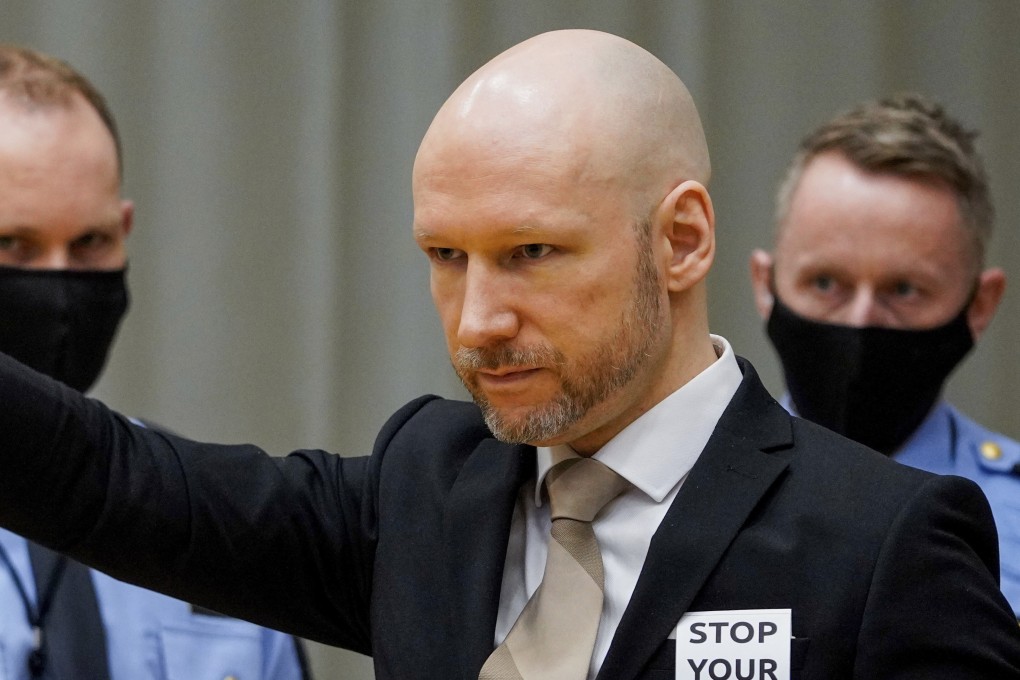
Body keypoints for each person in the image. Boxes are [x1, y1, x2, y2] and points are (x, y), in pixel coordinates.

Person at [1, 29, 1019, 680]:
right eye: (446, 257)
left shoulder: (883, 541)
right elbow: (111, 477)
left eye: (530, 252)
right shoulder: (426, 489)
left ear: (681, 239)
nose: (478, 316)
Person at [0, 45, 309, 680]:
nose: (59, 288)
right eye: (14, 245)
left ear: (125, 229)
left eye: (89, 243)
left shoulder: (202, 525)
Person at [749, 93, 1020, 617]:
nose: (860, 321)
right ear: (766, 285)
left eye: (905, 290)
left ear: (979, 305)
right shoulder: (676, 500)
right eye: (825, 282)